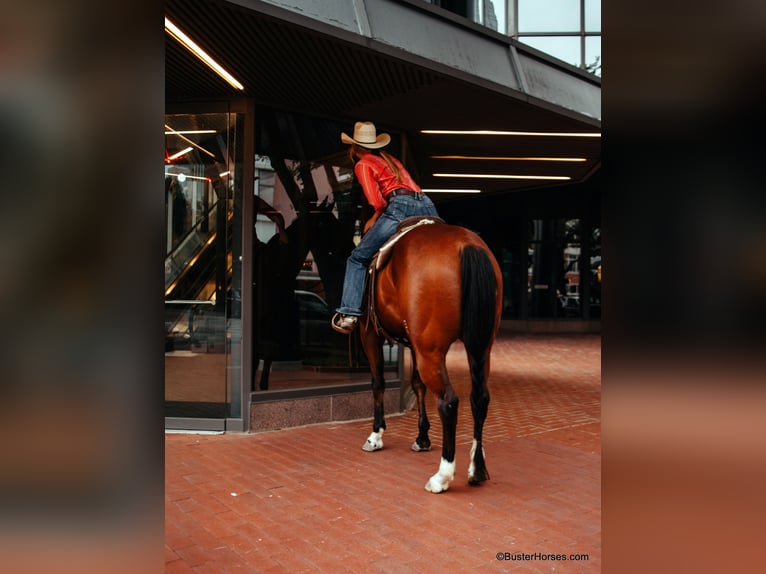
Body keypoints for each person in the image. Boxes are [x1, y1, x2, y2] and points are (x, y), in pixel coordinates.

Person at [331, 121, 440, 334]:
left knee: (357, 258)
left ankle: (350, 313)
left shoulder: (362, 165)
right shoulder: (391, 160)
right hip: (427, 205)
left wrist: (375, 218)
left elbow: (378, 202)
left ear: (353, 147)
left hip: (400, 208)